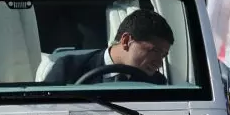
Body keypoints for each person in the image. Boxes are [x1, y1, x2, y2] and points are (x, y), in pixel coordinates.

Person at [44, 9, 173, 84]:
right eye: (154, 51)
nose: (159, 63)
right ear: (126, 40)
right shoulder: (69, 69)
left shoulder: (156, 83)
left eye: (163, 55)